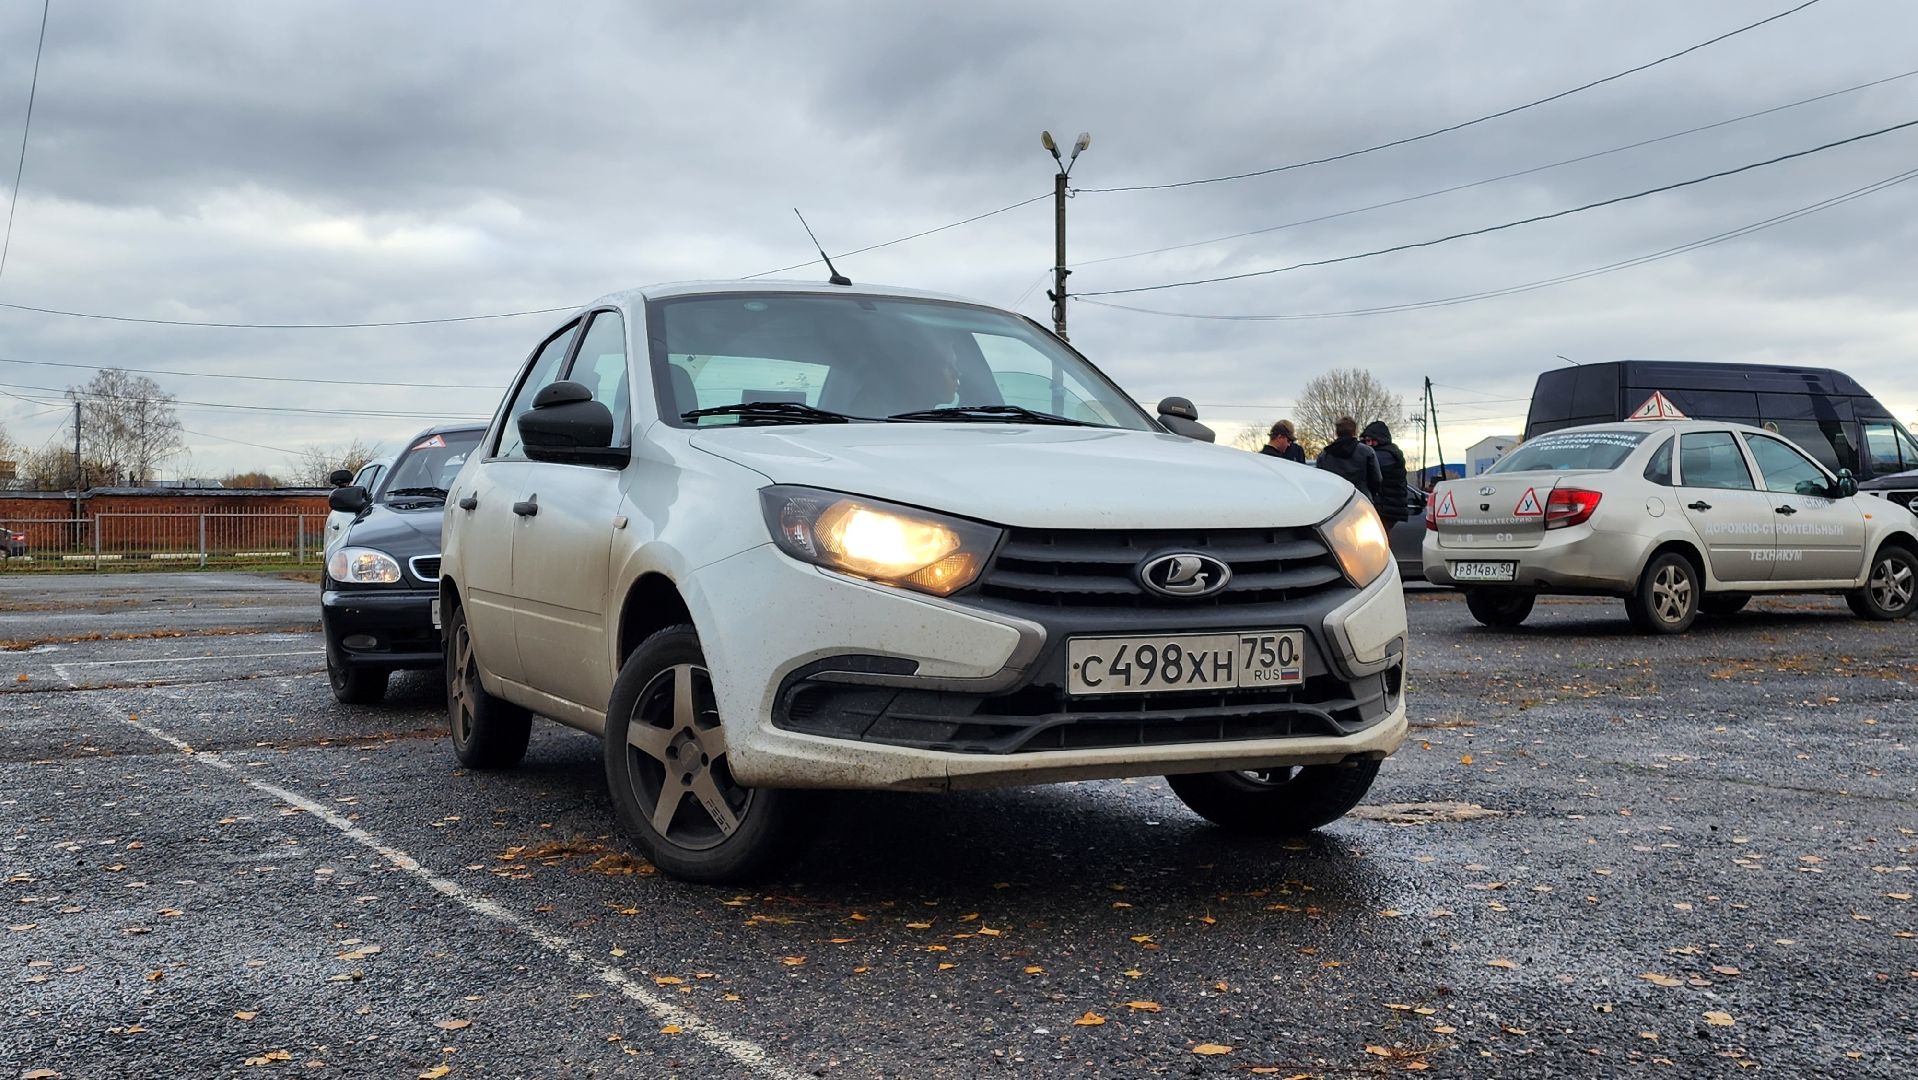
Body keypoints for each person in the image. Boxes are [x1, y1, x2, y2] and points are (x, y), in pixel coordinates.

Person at [1315, 416, 1382, 502]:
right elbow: (1377, 479)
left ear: (1337, 432)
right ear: (1354, 432)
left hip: (1334, 501)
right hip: (1362, 500)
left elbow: (1320, 481)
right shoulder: (1366, 451)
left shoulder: (1325, 454)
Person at [1362, 420, 1409, 523]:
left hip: (1387, 507)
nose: (1367, 444)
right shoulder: (1390, 453)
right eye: (1365, 441)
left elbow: (1364, 463)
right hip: (1387, 507)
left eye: (1370, 440)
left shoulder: (1386, 455)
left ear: (1379, 439)